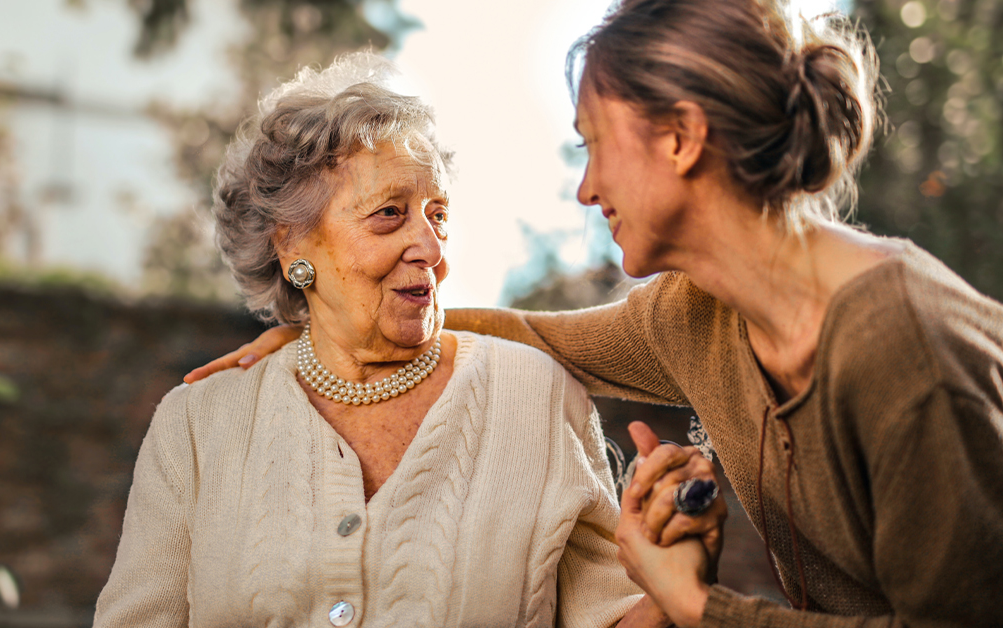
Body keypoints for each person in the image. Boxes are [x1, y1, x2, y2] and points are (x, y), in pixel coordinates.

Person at [184, 1, 1003, 626]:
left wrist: (698, 607)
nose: (587, 189)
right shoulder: (696, 315)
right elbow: (534, 335)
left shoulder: (907, 351)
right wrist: (326, 318)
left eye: (593, 145)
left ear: (680, 138)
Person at [94, 52, 687, 627]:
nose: (431, 249)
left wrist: (669, 591)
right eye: (389, 214)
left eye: (438, 215)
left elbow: (607, 617)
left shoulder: (537, 396)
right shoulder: (197, 425)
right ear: (292, 244)